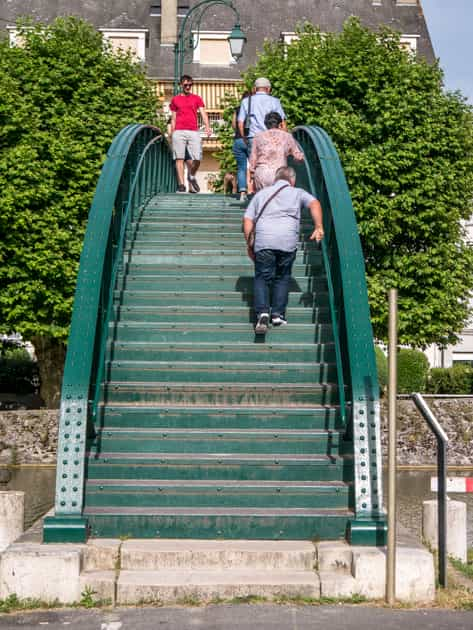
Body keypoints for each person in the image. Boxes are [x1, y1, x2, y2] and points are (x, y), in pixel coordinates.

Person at [242, 166, 324, 334]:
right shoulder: (298, 193)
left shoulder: (261, 194)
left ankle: (263, 312)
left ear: (275, 179)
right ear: (292, 180)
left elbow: (248, 219)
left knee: (262, 277)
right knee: (282, 276)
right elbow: (315, 203)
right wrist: (318, 226)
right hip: (287, 242)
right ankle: (278, 315)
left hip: (264, 241)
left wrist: (249, 244)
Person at [170, 74, 212, 193]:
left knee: (197, 158)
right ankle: (182, 185)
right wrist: (173, 132)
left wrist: (208, 127)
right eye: (186, 85)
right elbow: (173, 117)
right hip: (179, 131)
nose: (188, 87)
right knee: (179, 158)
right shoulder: (175, 100)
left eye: (190, 85)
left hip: (193, 130)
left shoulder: (197, 98)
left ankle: (191, 175)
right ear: (181, 85)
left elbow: (203, 113)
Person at [249, 111, 304, 191]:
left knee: (265, 200)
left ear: (266, 124)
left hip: (262, 174)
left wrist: (252, 174)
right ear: (280, 124)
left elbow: (253, 159)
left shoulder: (258, 137)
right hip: (280, 175)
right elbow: (298, 156)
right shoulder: (287, 136)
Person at [237, 77, 286, 154]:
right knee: (272, 163)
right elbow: (282, 122)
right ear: (268, 88)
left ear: (255, 88)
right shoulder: (275, 101)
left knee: (255, 164)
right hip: (271, 137)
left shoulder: (246, 101)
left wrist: (244, 138)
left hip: (253, 138)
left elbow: (240, 123)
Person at [232, 91, 251, 203]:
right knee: (256, 166)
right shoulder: (254, 109)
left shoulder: (238, 109)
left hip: (239, 139)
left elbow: (234, 124)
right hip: (250, 139)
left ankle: (242, 193)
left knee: (241, 167)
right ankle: (257, 192)